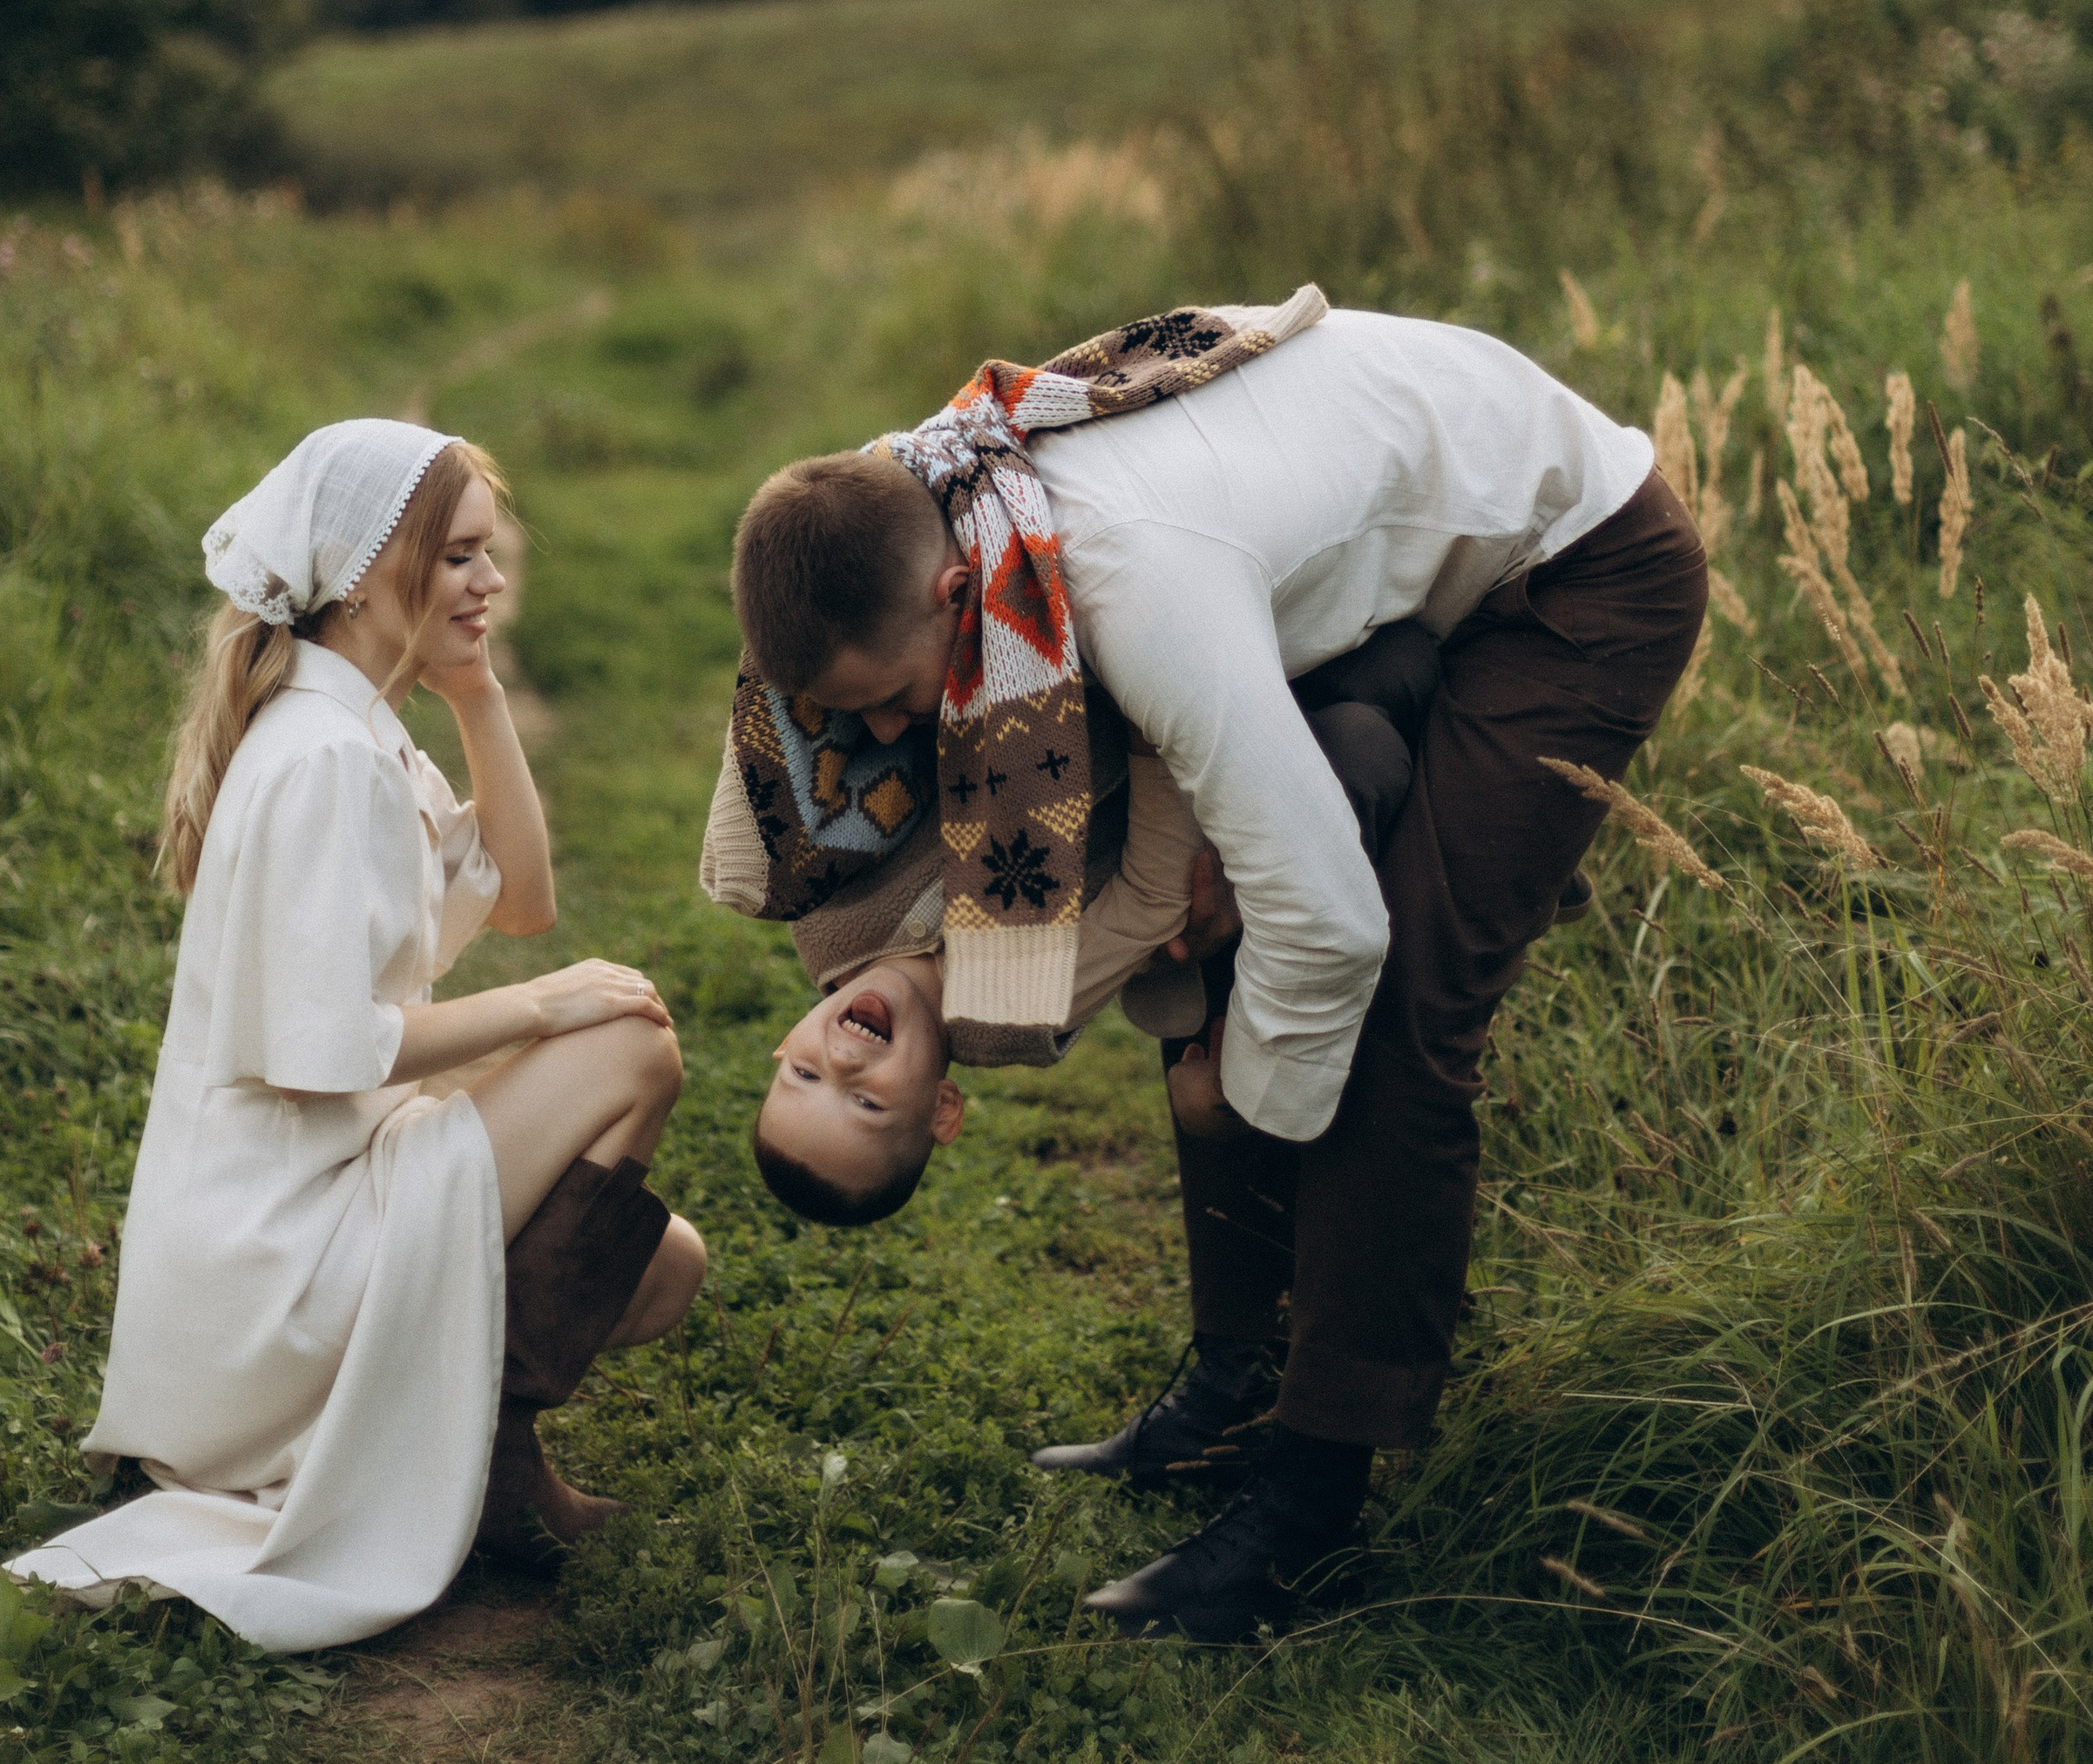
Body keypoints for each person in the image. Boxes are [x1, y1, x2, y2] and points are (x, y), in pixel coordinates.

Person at [715, 292, 1704, 1639]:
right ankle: (1236, 1393)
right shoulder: (941, 491)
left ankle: (1309, 1514)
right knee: (1223, 993)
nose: (897, 728)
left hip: (1570, 571)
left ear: (956, 592)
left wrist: (1268, 1091)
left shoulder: (1129, 588)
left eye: (892, 694)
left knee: (1394, 1014)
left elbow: (1332, 932)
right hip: (1390, 579)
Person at [0, 419, 704, 1653]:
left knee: (662, 1265)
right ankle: (487, 1469)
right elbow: (321, 1049)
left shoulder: (355, 731)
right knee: (629, 1048)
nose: (490, 582)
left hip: (320, 1199)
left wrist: (478, 692)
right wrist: (544, 1007)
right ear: (361, 577)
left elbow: (522, 898)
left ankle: (479, 1445)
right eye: (457, 559)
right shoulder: (319, 759)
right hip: (272, 1259)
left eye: (488, 556)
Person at [701, 630, 1433, 1223]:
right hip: (1176, 755)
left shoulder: (822, 915)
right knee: (1379, 708)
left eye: (805, 1072)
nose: (843, 1062)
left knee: (1348, 650)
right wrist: (1153, 728)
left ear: (782, 1044)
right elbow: (1151, 898)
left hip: (1037, 672)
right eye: (865, 1101)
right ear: (943, 1110)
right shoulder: (1012, 1015)